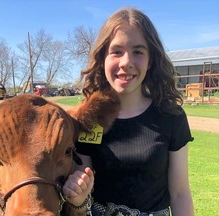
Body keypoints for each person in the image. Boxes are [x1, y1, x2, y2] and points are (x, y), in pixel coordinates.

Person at [62, 7, 194, 216]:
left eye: (138, 52)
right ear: (102, 58)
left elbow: (180, 194)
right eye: (116, 51)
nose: (126, 62)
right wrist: (78, 198)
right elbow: (80, 197)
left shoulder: (172, 117)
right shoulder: (88, 119)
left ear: (150, 60)